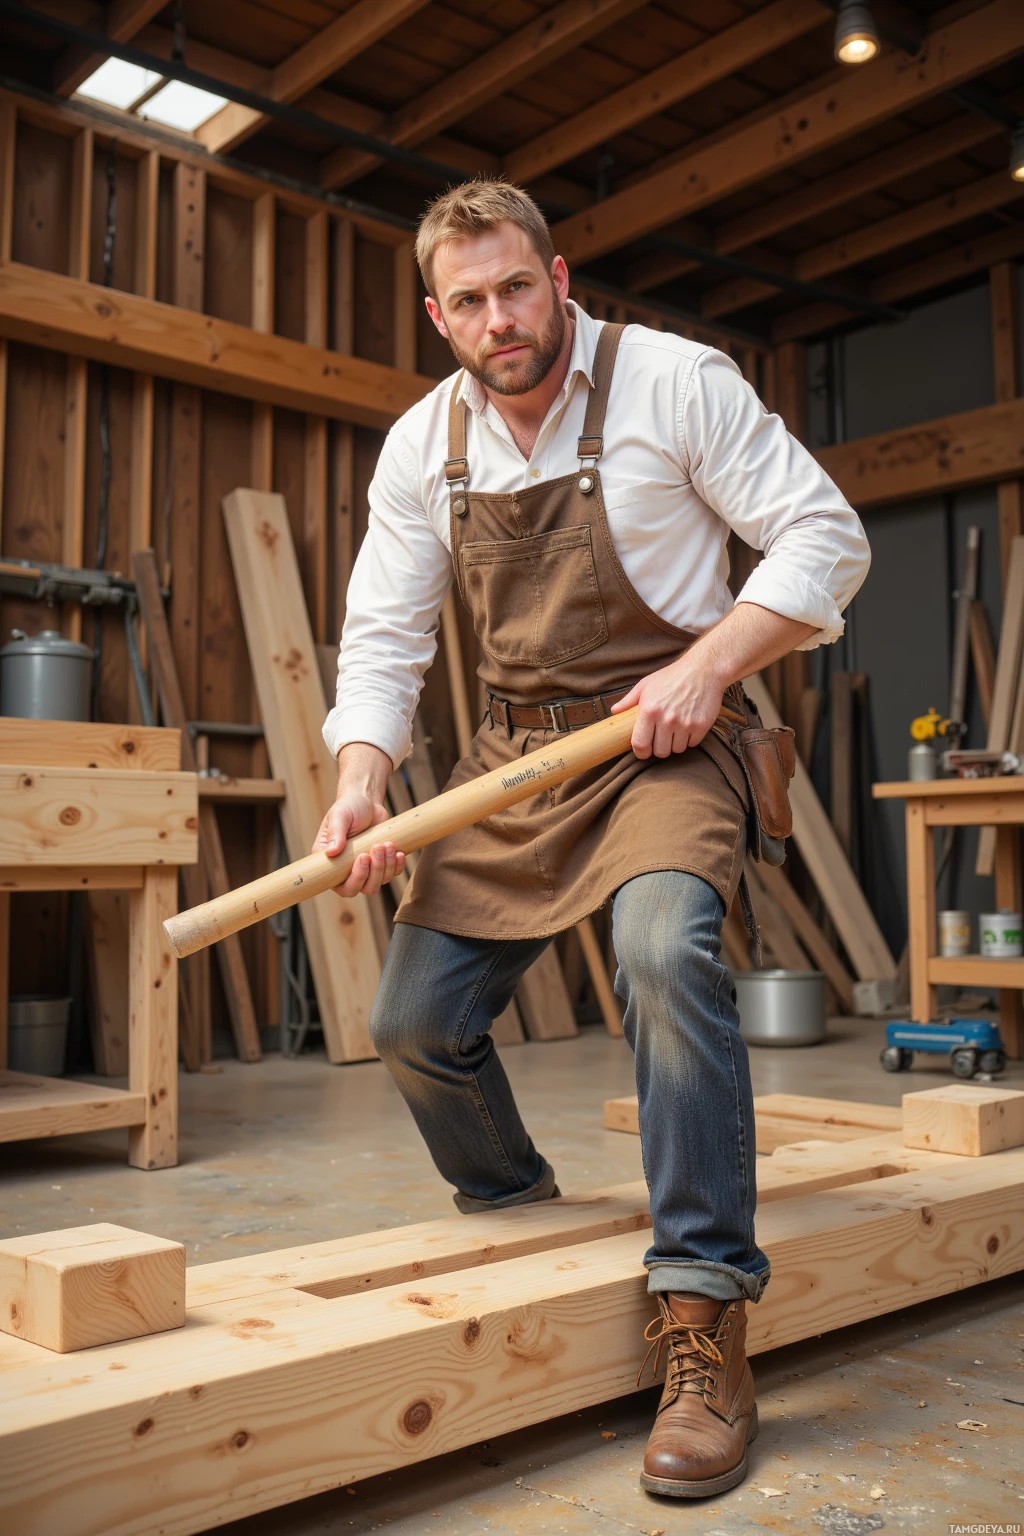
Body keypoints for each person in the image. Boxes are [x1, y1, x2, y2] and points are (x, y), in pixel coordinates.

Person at [316, 178, 869, 1500]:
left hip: (667, 742)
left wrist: (707, 665)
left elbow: (823, 538)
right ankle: (518, 1214)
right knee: (413, 1025)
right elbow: (386, 640)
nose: (500, 320)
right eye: (469, 301)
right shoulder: (422, 446)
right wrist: (360, 784)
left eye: (518, 287)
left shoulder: (675, 382)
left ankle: (704, 1317)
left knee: (665, 951)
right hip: (518, 755)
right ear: (436, 314)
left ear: (558, 280)